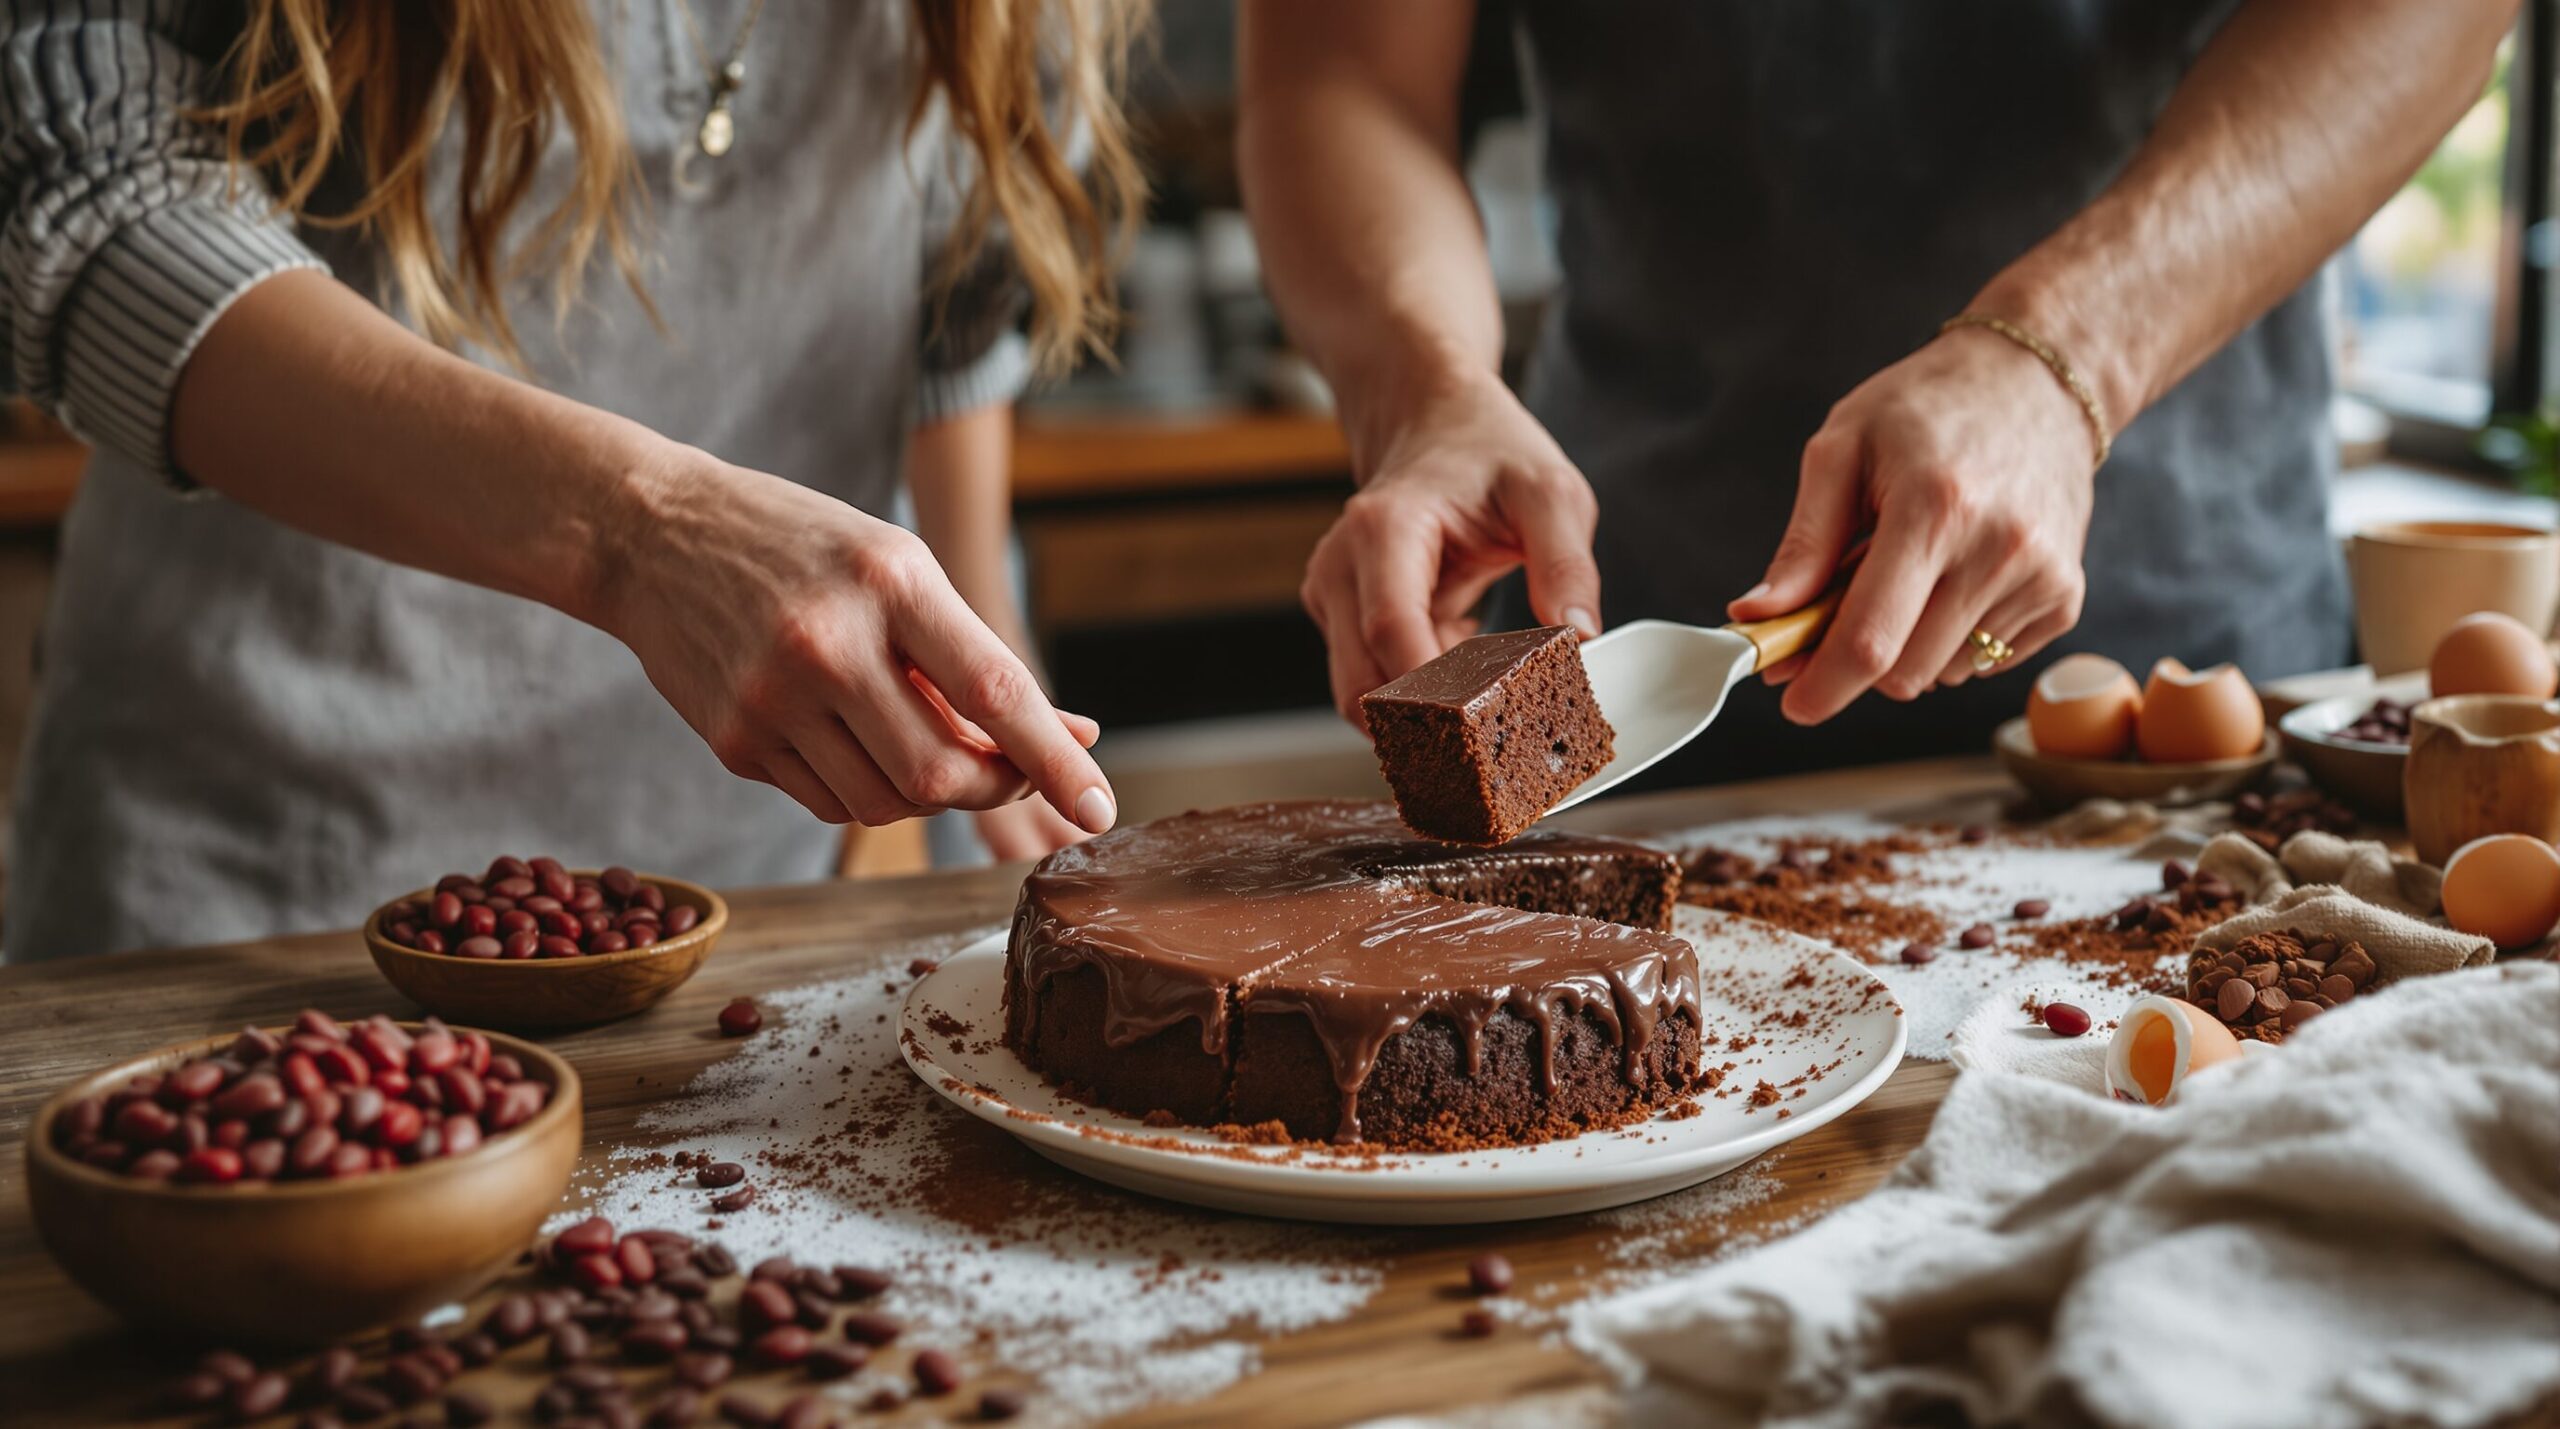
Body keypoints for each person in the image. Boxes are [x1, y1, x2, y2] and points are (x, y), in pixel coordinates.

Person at [0, 0, 1143, 961]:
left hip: (735, 893)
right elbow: (88, 199)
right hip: (251, 870)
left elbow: (956, 295)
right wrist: (645, 534)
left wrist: (985, 646)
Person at [1239, 1, 2513, 778]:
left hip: (2171, 686)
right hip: (1635, 671)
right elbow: (1341, 73)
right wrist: (1426, 387)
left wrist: (2063, 356)